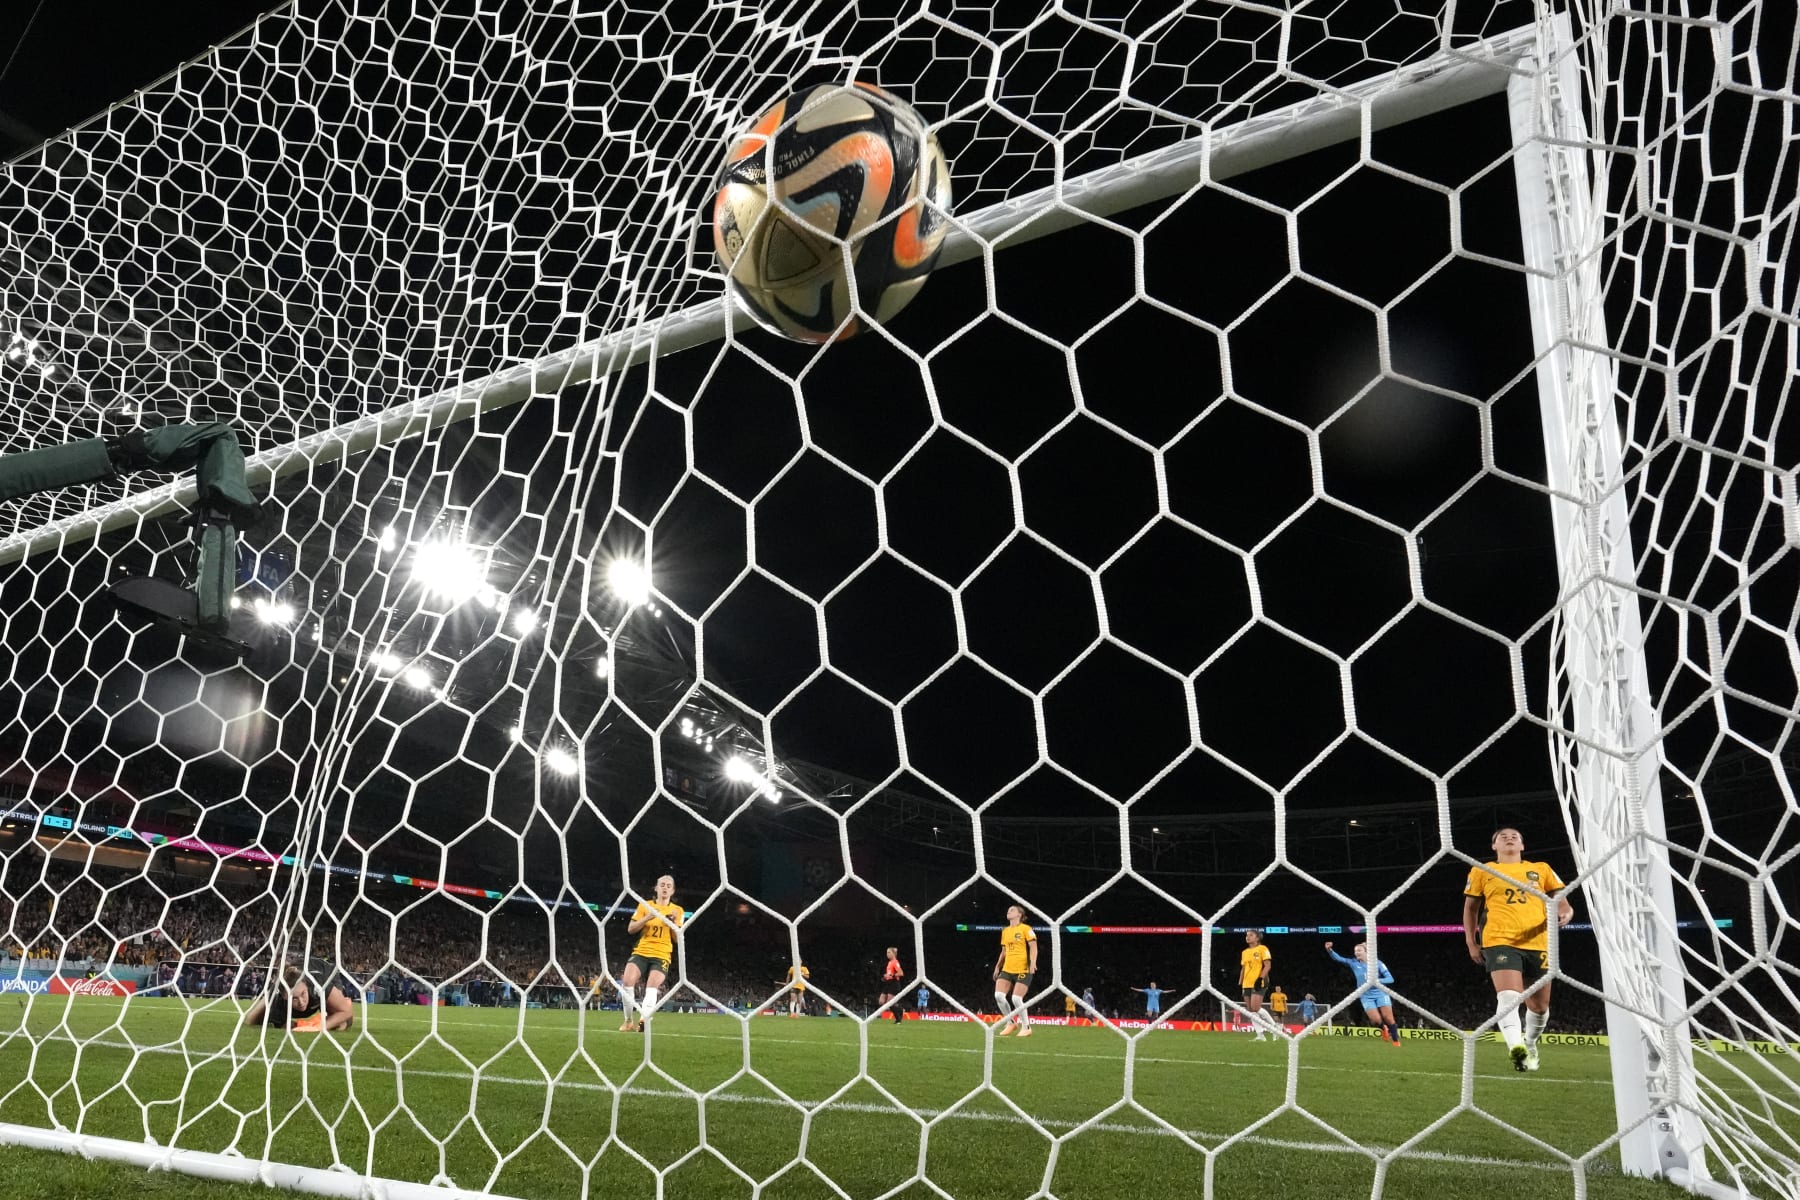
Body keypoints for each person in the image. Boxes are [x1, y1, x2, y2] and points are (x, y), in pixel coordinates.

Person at [1463, 827, 1575, 1072]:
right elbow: (1471, 908)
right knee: (1509, 997)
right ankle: (1518, 1050)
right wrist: (1472, 942)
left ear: (1523, 845)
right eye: (1502, 836)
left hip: (1537, 941)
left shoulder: (1542, 869)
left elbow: (1562, 898)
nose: (1509, 838)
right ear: (1494, 847)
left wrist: (1566, 911)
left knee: (1539, 1007)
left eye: (1515, 836)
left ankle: (1531, 1043)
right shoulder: (1482, 870)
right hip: (1499, 939)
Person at [618, 875, 682, 1033]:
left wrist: (673, 923)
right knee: (627, 982)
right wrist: (648, 917)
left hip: (662, 954)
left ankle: (643, 1021)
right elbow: (631, 929)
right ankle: (628, 1022)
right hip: (642, 951)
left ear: (672, 891)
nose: (665, 887)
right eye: (662, 885)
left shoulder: (677, 910)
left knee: (651, 987)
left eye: (668, 885)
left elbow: (677, 939)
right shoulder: (645, 905)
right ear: (656, 888)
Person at [1324, 941, 1400, 1045]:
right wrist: (1330, 950)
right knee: (1375, 1020)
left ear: (1366, 952)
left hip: (1380, 993)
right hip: (1365, 995)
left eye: (1359, 950)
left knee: (1388, 1017)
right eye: (1355, 951)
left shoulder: (1378, 963)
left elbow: (1390, 979)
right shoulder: (1353, 963)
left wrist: (1377, 981)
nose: (1356, 953)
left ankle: (1395, 1041)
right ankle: (1383, 1028)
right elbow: (1339, 958)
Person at [242, 965, 353, 1033]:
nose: (301, 1002)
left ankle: (344, 1001)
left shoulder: (318, 984)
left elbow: (346, 1012)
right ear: (284, 996)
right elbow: (251, 1020)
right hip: (282, 993)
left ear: (306, 985)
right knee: (282, 1025)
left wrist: (319, 1028)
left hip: (326, 972)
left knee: (341, 1023)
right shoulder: (277, 996)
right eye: (294, 998)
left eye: (303, 994)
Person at [991, 903, 1038, 1039]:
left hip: (1023, 968)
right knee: (999, 996)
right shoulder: (1005, 931)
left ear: (1019, 914)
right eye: (1008, 909)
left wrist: (1033, 962)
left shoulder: (1026, 929)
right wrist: (997, 966)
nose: (1008, 911)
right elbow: (1004, 951)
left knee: (1016, 998)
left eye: (1012, 910)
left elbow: (1033, 947)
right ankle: (1010, 1022)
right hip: (1007, 969)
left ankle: (1026, 1027)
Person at [1239, 930, 1279, 1039]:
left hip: (1259, 981)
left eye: (1251, 935)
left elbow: (1267, 966)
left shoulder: (1263, 949)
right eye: (1247, 935)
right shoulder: (1244, 952)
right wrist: (1240, 981)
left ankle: (1275, 1027)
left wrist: (1260, 978)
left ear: (1257, 938)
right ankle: (1260, 1034)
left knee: (1255, 1008)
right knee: (1251, 1010)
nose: (1248, 937)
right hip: (1246, 983)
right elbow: (1243, 968)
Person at [878, 947, 904, 1024]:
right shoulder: (889, 962)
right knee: (881, 1001)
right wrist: (885, 977)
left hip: (894, 983)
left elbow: (901, 973)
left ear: (893, 954)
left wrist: (891, 976)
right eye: (887, 952)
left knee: (890, 1003)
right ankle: (899, 1009)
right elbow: (890, 974)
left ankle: (898, 1019)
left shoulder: (895, 962)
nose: (887, 954)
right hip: (888, 983)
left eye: (889, 952)